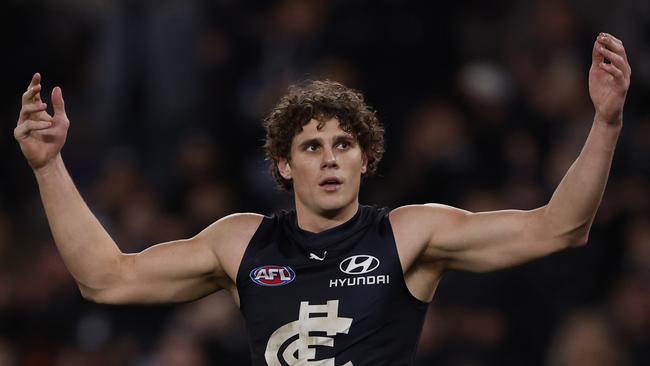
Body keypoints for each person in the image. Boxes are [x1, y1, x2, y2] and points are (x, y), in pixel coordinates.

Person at [14, 33, 630, 365]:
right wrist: (49, 167)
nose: (330, 157)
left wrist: (603, 125)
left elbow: (558, 228)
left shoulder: (411, 234)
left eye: (343, 144)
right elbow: (106, 279)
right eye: (311, 147)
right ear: (284, 163)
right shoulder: (241, 242)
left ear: (366, 158)